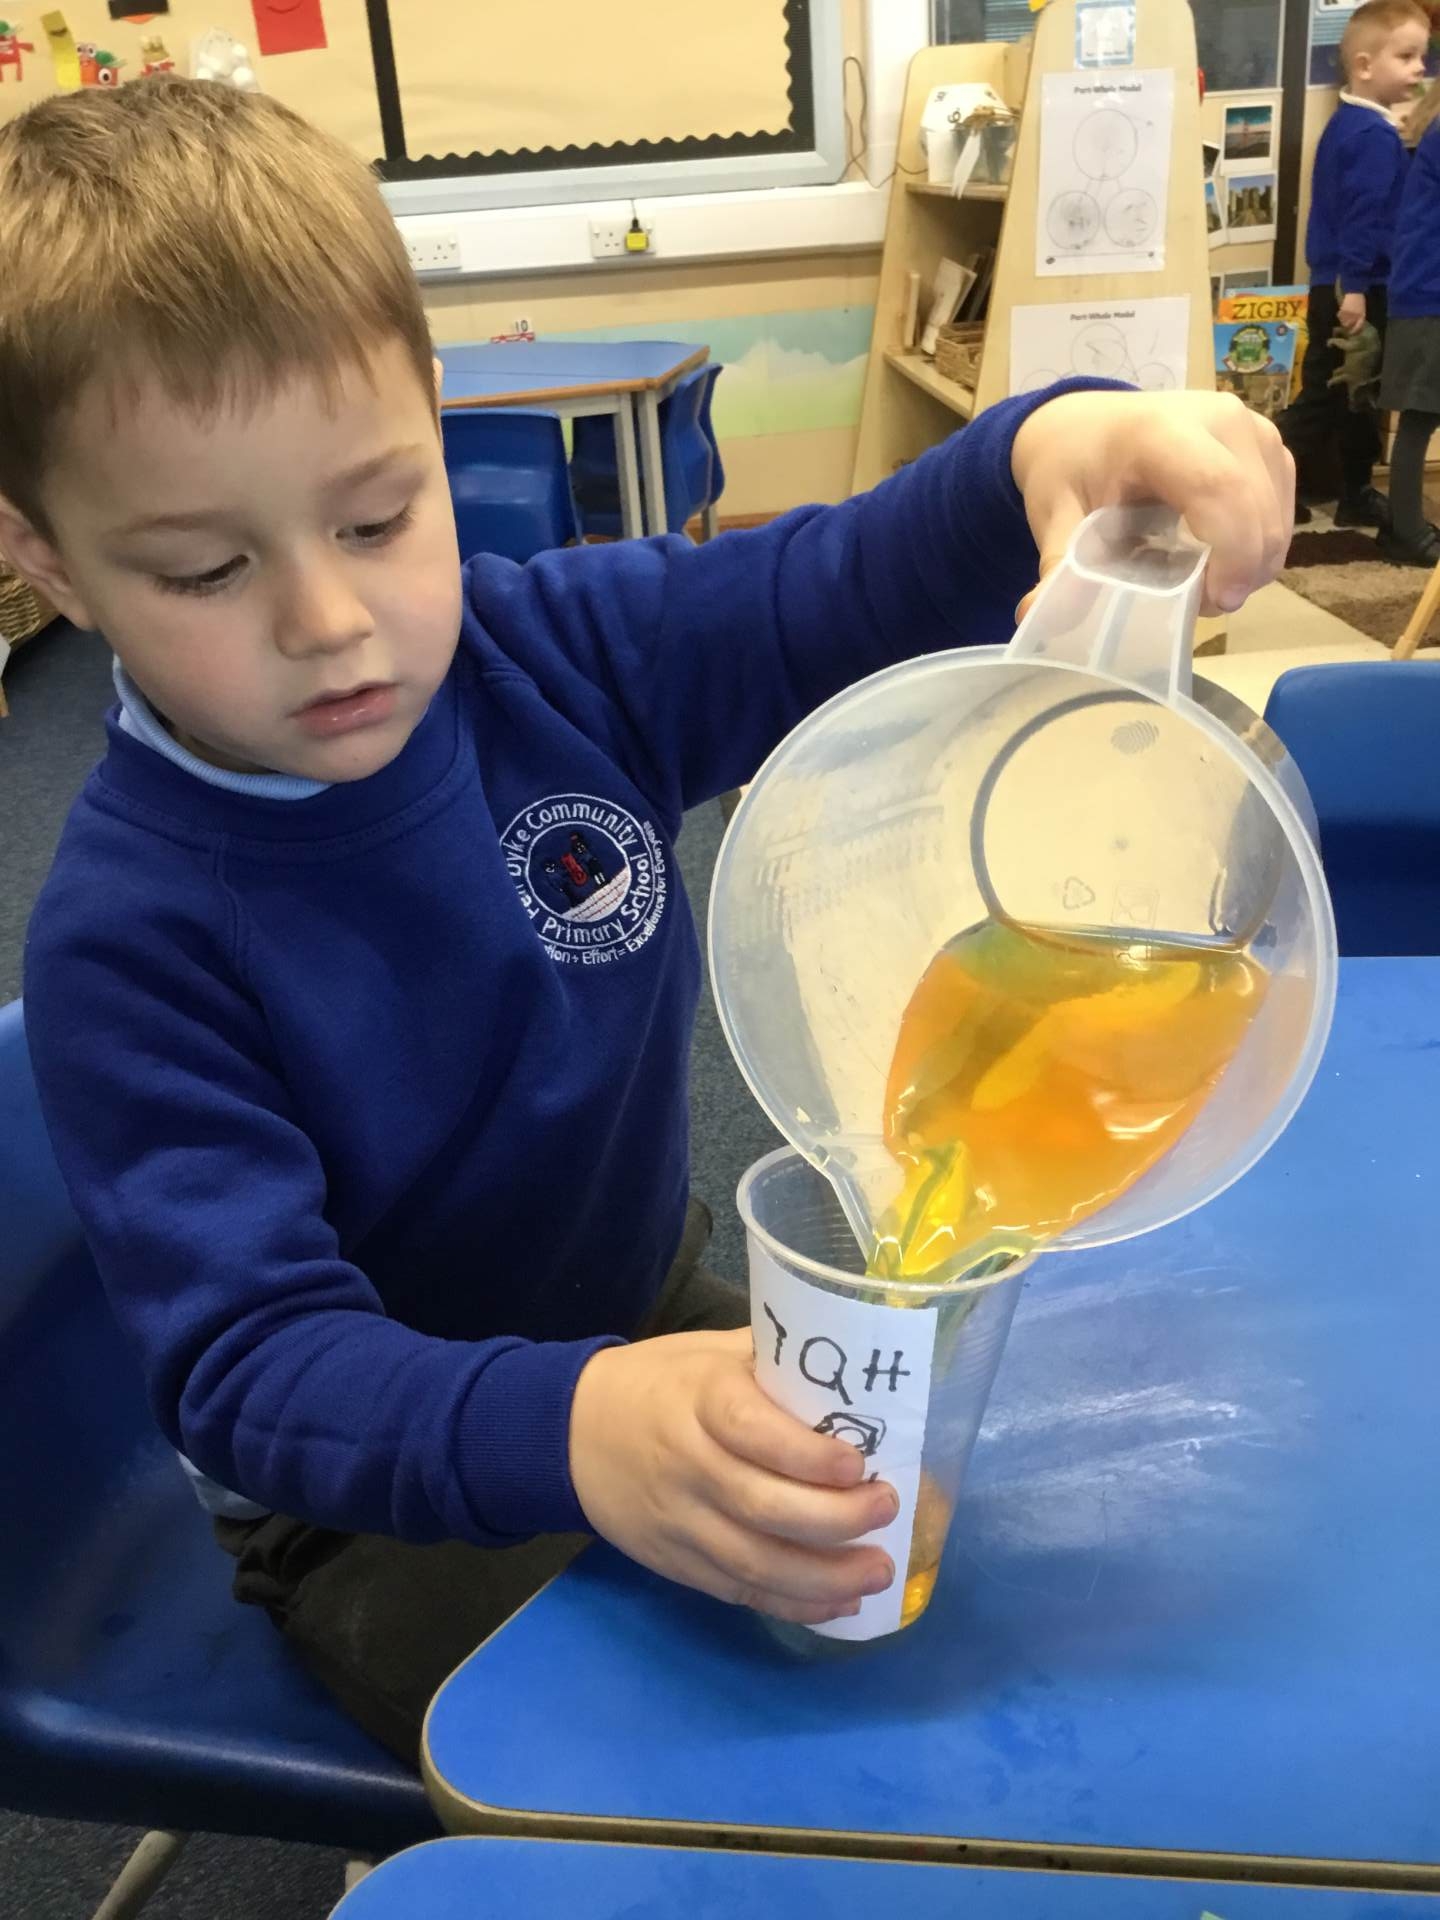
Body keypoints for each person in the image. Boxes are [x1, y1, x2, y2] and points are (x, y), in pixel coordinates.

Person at [0, 78, 1293, 1767]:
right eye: (202, 571)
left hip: (638, 1302)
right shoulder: (132, 942)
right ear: (47, 560)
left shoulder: (556, 657)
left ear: (431, 425)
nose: (329, 619)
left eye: (378, 518)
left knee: (919, 1581)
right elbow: (255, 1370)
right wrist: (576, 1423)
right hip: (371, 1492)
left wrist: (1045, 454)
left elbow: (833, 587)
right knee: (698, 1756)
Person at [1278, 0, 1427, 526]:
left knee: (1351, 393)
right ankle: (1268, 481)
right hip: (1356, 288)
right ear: (1364, 65)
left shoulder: (1353, 125)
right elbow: (1363, 219)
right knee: (1337, 392)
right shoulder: (1371, 136)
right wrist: (1358, 288)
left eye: (1422, 57)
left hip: (1344, 283)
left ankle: (1352, 491)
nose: (1420, 69)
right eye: (1406, 56)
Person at [1378, 79, 1440, 564]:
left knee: (1423, 414)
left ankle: (1406, 524)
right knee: (1420, 415)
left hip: (1425, 291)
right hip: (1429, 294)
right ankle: (1406, 530)